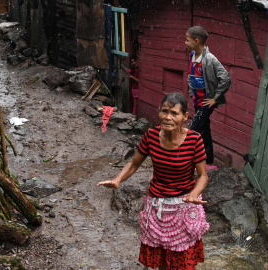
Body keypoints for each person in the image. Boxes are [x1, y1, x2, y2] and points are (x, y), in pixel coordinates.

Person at [98, 92, 210, 270]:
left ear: (185, 117)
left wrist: (194, 195)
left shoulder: (194, 140)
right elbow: (134, 164)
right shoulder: (151, 135)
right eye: (164, 111)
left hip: (184, 205)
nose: (168, 117)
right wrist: (118, 179)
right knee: (161, 257)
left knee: (182, 259)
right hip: (157, 206)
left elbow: (203, 175)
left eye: (174, 113)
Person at [185, 26, 231, 169]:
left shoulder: (210, 59)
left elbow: (226, 78)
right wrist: (192, 93)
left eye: (187, 40)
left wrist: (215, 99)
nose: (185, 43)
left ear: (197, 41)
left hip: (206, 103)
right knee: (205, 130)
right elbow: (191, 77)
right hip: (197, 101)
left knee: (192, 131)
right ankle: (209, 161)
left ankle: (186, 163)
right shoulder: (192, 55)